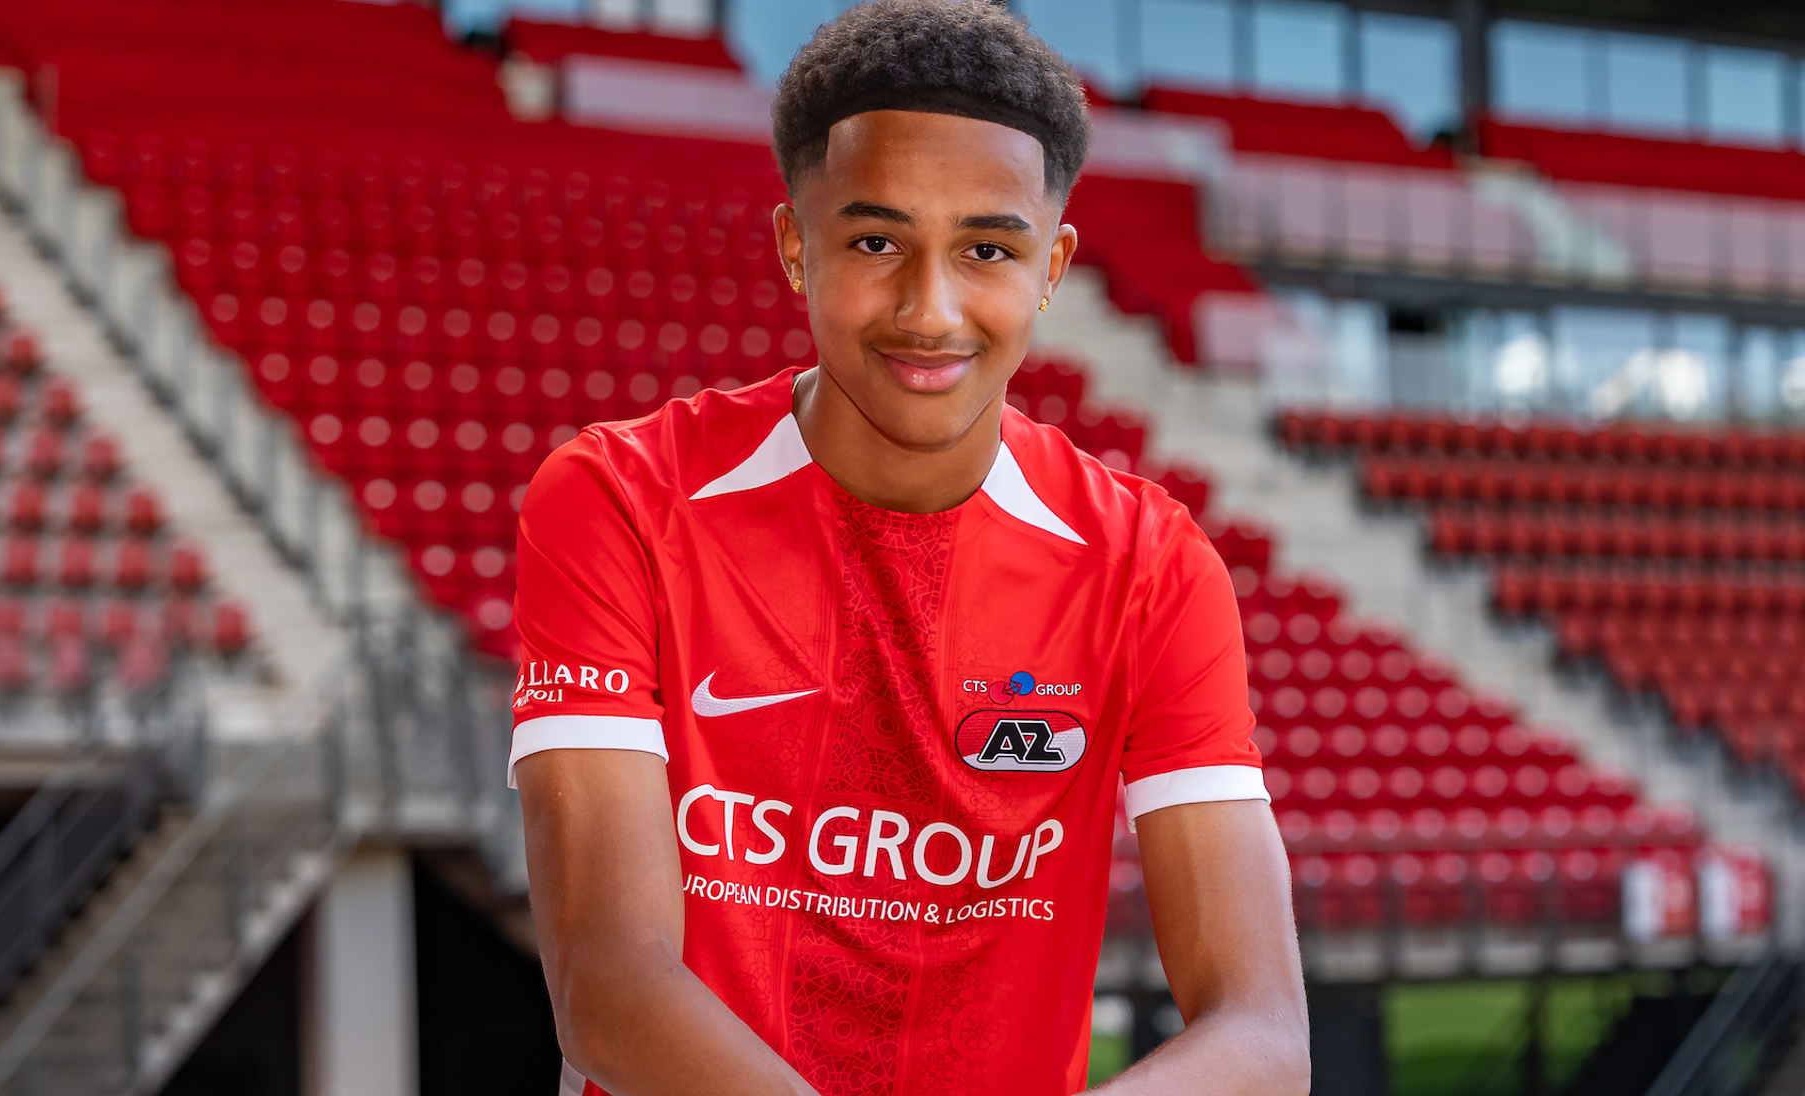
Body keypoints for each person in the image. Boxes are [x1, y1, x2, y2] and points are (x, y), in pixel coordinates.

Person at [507, 2, 1307, 1093]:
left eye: (987, 250)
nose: (930, 310)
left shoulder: (1148, 565)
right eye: (876, 242)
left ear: (1052, 267)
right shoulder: (619, 500)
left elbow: (1263, 1033)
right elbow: (607, 986)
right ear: (796, 246)